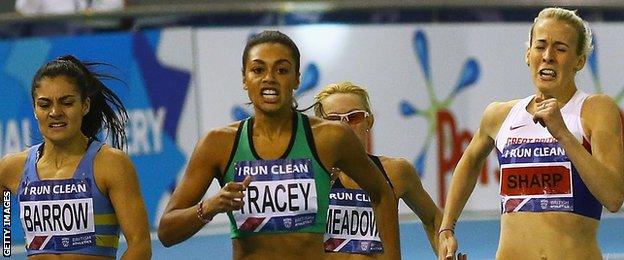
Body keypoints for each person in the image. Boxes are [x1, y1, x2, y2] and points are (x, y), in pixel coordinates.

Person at [157, 30, 400, 259]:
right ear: (244, 78)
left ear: (296, 79)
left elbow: (381, 193)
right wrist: (210, 206)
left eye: (282, 70)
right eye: (257, 70)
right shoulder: (217, 144)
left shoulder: (331, 138)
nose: (269, 79)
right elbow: (167, 231)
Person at [438, 7, 623, 260]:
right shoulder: (500, 114)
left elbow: (613, 198)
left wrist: (563, 134)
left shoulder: (595, 110)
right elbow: (469, 161)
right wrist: (447, 228)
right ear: (528, 54)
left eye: (560, 48)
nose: (548, 56)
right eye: (540, 46)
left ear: (579, 61)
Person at [0, 55, 151, 259]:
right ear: (35, 110)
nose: (55, 112)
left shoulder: (110, 164)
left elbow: (140, 246)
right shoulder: (12, 168)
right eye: (44, 105)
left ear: (85, 105)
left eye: (67, 103)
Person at [314, 81, 442, 258]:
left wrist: (446, 249)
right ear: (319, 126)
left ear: (369, 121)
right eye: (333, 119)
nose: (344, 126)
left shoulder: (396, 172)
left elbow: (433, 219)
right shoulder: (308, 177)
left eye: (354, 117)